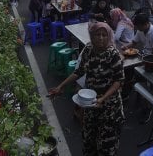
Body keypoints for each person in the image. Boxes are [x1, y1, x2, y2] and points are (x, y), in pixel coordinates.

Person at [49, 22, 125, 156]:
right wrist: (61, 86)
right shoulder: (88, 49)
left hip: (110, 108)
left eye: (104, 35)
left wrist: (103, 98)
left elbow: (119, 81)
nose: (101, 38)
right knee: (88, 143)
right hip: (91, 105)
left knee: (106, 147)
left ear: (109, 36)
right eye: (97, 35)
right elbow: (79, 71)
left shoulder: (113, 54)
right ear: (91, 36)